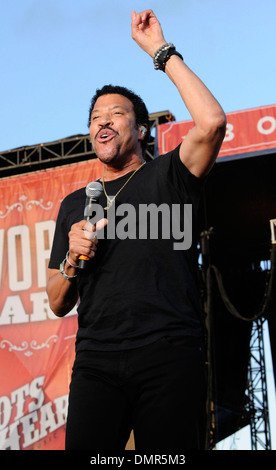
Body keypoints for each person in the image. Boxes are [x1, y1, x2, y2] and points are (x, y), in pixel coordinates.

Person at [46, 9, 226, 451]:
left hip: (168, 352)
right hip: (96, 362)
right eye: (95, 116)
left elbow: (212, 123)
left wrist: (160, 52)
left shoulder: (171, 174)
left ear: (142, 129)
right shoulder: (74, 204)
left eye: (116, 114)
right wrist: (71, 259)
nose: (102, 121)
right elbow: (55, 300)